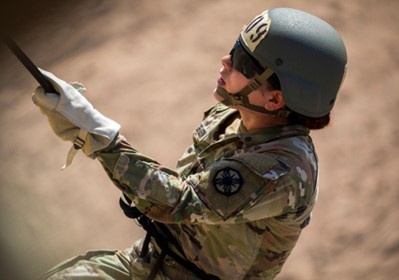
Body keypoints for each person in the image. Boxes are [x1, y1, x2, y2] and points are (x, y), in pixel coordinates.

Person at [33, 7, 347, 280]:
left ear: (274, 98)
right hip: (150, 262)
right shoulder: (233, 115)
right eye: (236, 47)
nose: (226, 61)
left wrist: (99, 134)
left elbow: (179, 202)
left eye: (243, 62)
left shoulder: (281, 171)